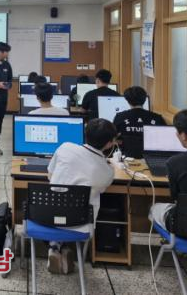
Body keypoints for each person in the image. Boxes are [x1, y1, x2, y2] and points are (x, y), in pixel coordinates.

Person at [47, 118, 116, 274]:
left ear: (85, 133)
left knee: (62, 210)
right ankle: (63, 247)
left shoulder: (65, 147)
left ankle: (55, 246)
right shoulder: (107, 171)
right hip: (81, 223)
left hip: (47, 216)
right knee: (75, 211)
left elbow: (50, 175)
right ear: (109, 144)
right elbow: (101, 190)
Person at [113, 86, 166, 157]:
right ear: (144, 99)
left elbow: (113, 138)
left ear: (127, 100)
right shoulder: (157, 118)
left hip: (126, 157)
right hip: (151, 157)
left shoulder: (119, 117)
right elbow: (165, 140)